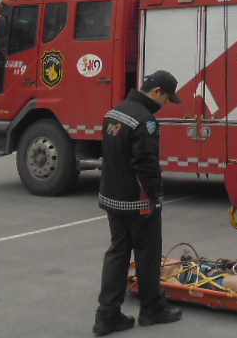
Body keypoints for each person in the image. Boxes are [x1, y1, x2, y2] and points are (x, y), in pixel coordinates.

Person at [93, 71, 184, 336]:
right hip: (138, 202)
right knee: (148, 255)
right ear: (156, 92)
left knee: (118, 253)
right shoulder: (145, 121)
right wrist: (155, 196)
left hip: (111, 197)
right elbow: (146, 164)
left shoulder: (115, 112)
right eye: (166, 98)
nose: (165, 104)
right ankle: (152, 309)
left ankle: (107, 316)